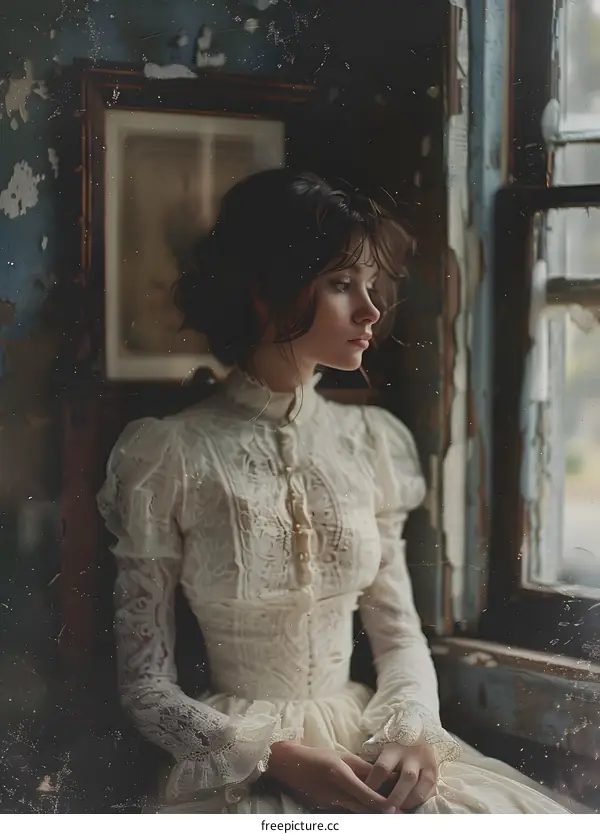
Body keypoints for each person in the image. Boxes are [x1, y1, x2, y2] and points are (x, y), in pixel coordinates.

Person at [97, 169, 570, 814]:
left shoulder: (370, 443)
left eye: (370, 287)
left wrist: (412, 733)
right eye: (342, 286)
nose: (371, 311)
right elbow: (146, 687)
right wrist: (279, 758)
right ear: (268, 293)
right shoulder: (168, 455)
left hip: (363, 736)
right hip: (238, 755)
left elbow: (399, 637)